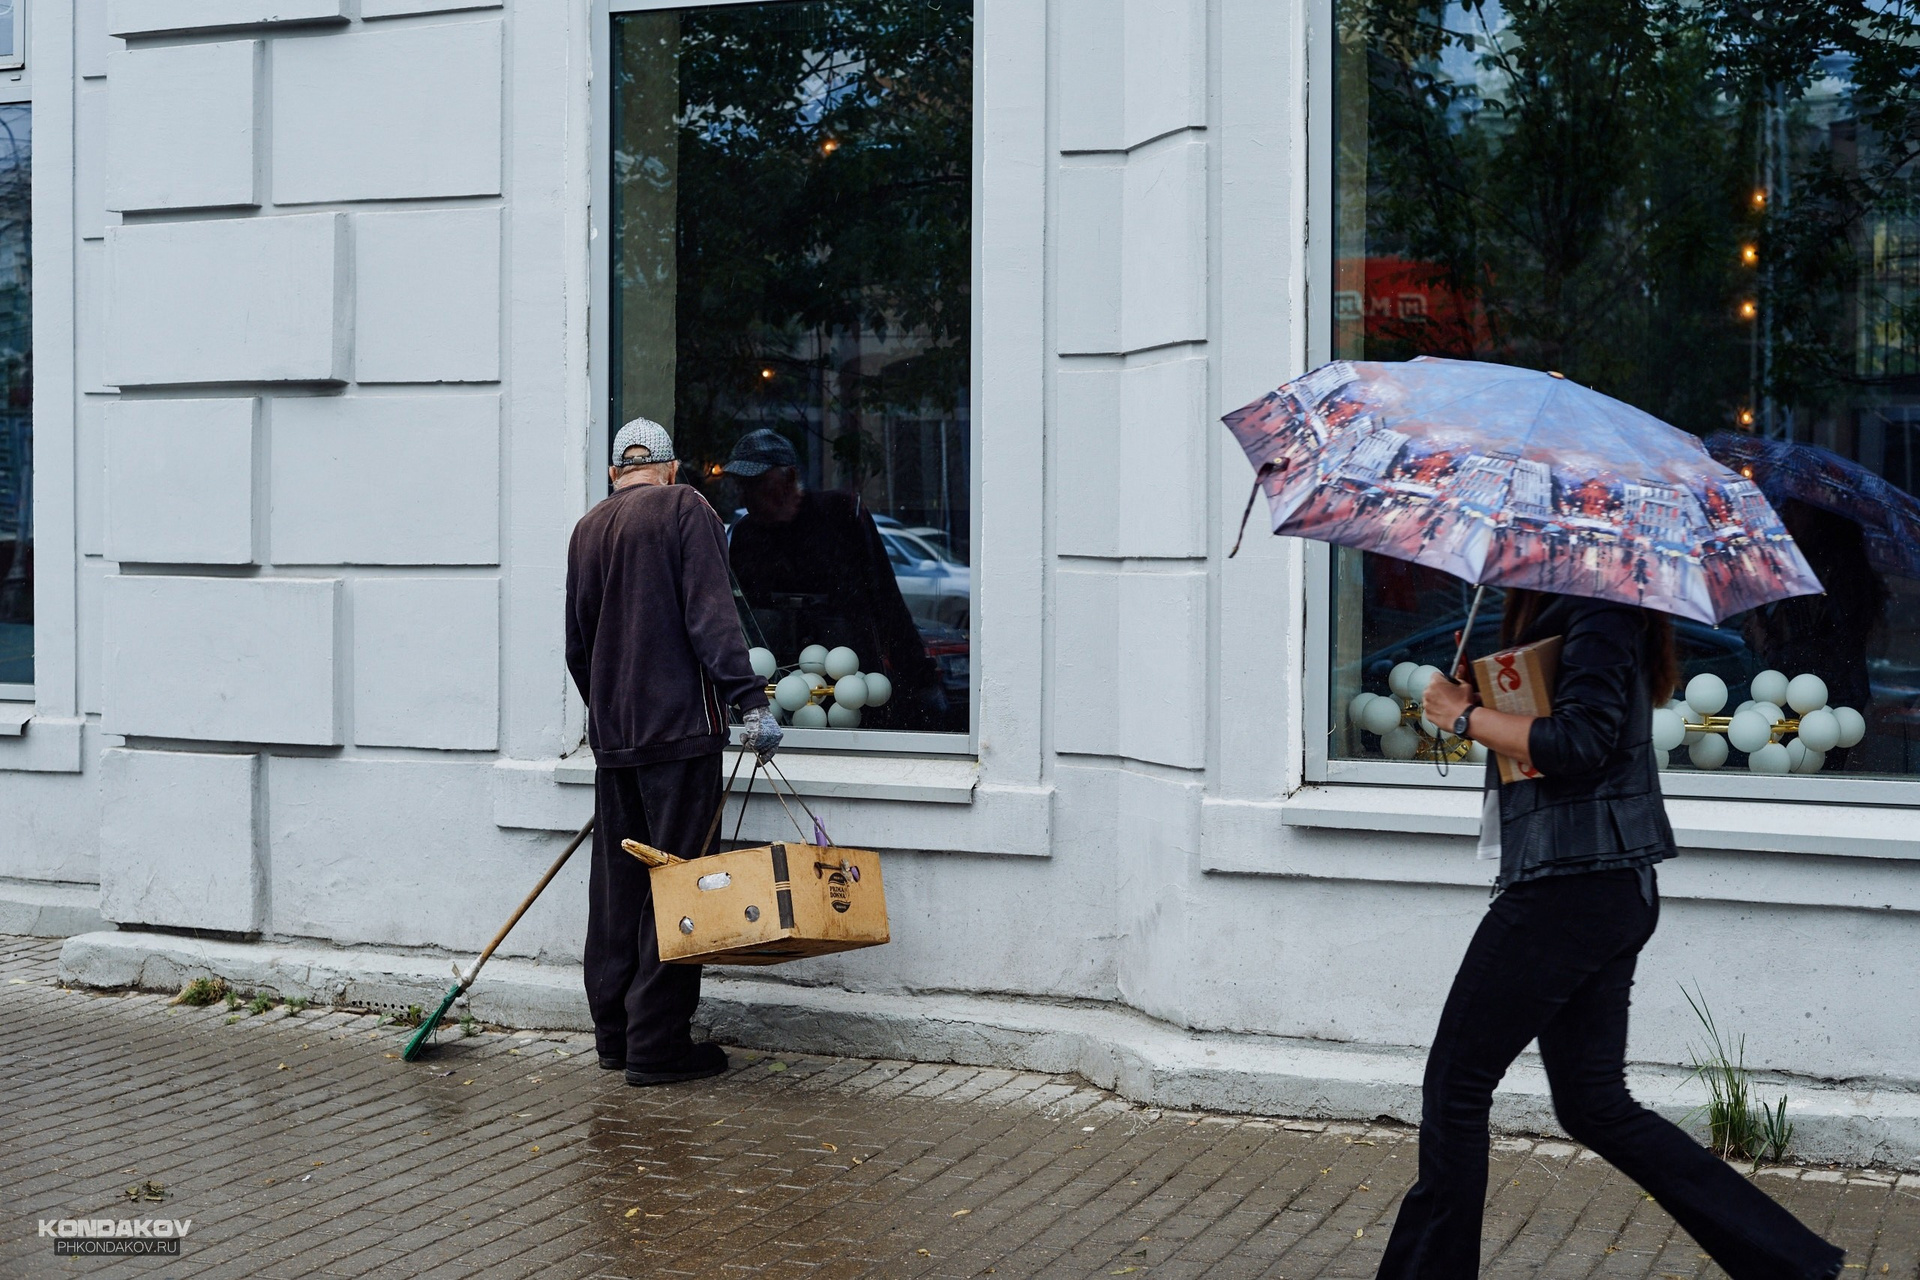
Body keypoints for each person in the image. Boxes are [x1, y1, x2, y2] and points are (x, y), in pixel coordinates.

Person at [1388, 589, 1844, 1280]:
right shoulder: (1578, 611)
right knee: (1593, 1105)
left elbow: (1580, 743)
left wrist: (1465, 715)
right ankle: (1793, 1263)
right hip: (1595, 886)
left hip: (1570, 888)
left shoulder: (1600, 612)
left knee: (1456, 1088)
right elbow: (1561, 732)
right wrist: (1477, 700)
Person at [565, 418, 783, 1087]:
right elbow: (712, 616)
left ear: (615, 473)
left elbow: (578, 646)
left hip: (616, 741)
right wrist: (750, 702)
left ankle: (616, 1037)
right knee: (679, 886)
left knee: (619, 890)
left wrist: (612, 714)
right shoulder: (685, 507)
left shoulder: (587, 528)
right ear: (670, 468)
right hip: (681, 735)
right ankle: (657, 1046)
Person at [722, 429, 948, 730]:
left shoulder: (839, 516)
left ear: (789, 478)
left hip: (852, 684)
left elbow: (884, 598)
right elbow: (737, 617)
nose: (746, 495)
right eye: (742, 484)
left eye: (758, 483)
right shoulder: (746, 534)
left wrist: (920, 678)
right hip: (778, 686)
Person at [1743, 498, 1887, 771]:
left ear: (1820, 520)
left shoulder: (1828, 577)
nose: (1785, 515)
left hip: (1822, 707)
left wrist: (1766, 644)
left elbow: (1820, 657)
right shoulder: (1810, 572)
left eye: (1796, 508)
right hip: (1817, 703)